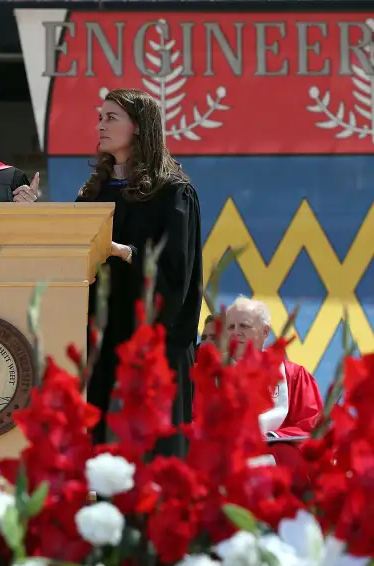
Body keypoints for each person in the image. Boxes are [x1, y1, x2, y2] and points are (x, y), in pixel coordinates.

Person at [77, 88, 203, 456]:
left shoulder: (173, 192)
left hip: (153, 343)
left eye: (110, 117)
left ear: (139, 127)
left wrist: (125, 252)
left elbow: (178, 274)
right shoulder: (93, 194)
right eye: (100, 117)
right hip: (103, 338)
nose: (100, 125)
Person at [226, 296, 323, 439]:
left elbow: (311, 425)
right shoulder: (211, 373)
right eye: (231, 327)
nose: (236, 332)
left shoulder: (293, 376)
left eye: (244, 326)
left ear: (265, 332)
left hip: (274, 455)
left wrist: (273, 438)